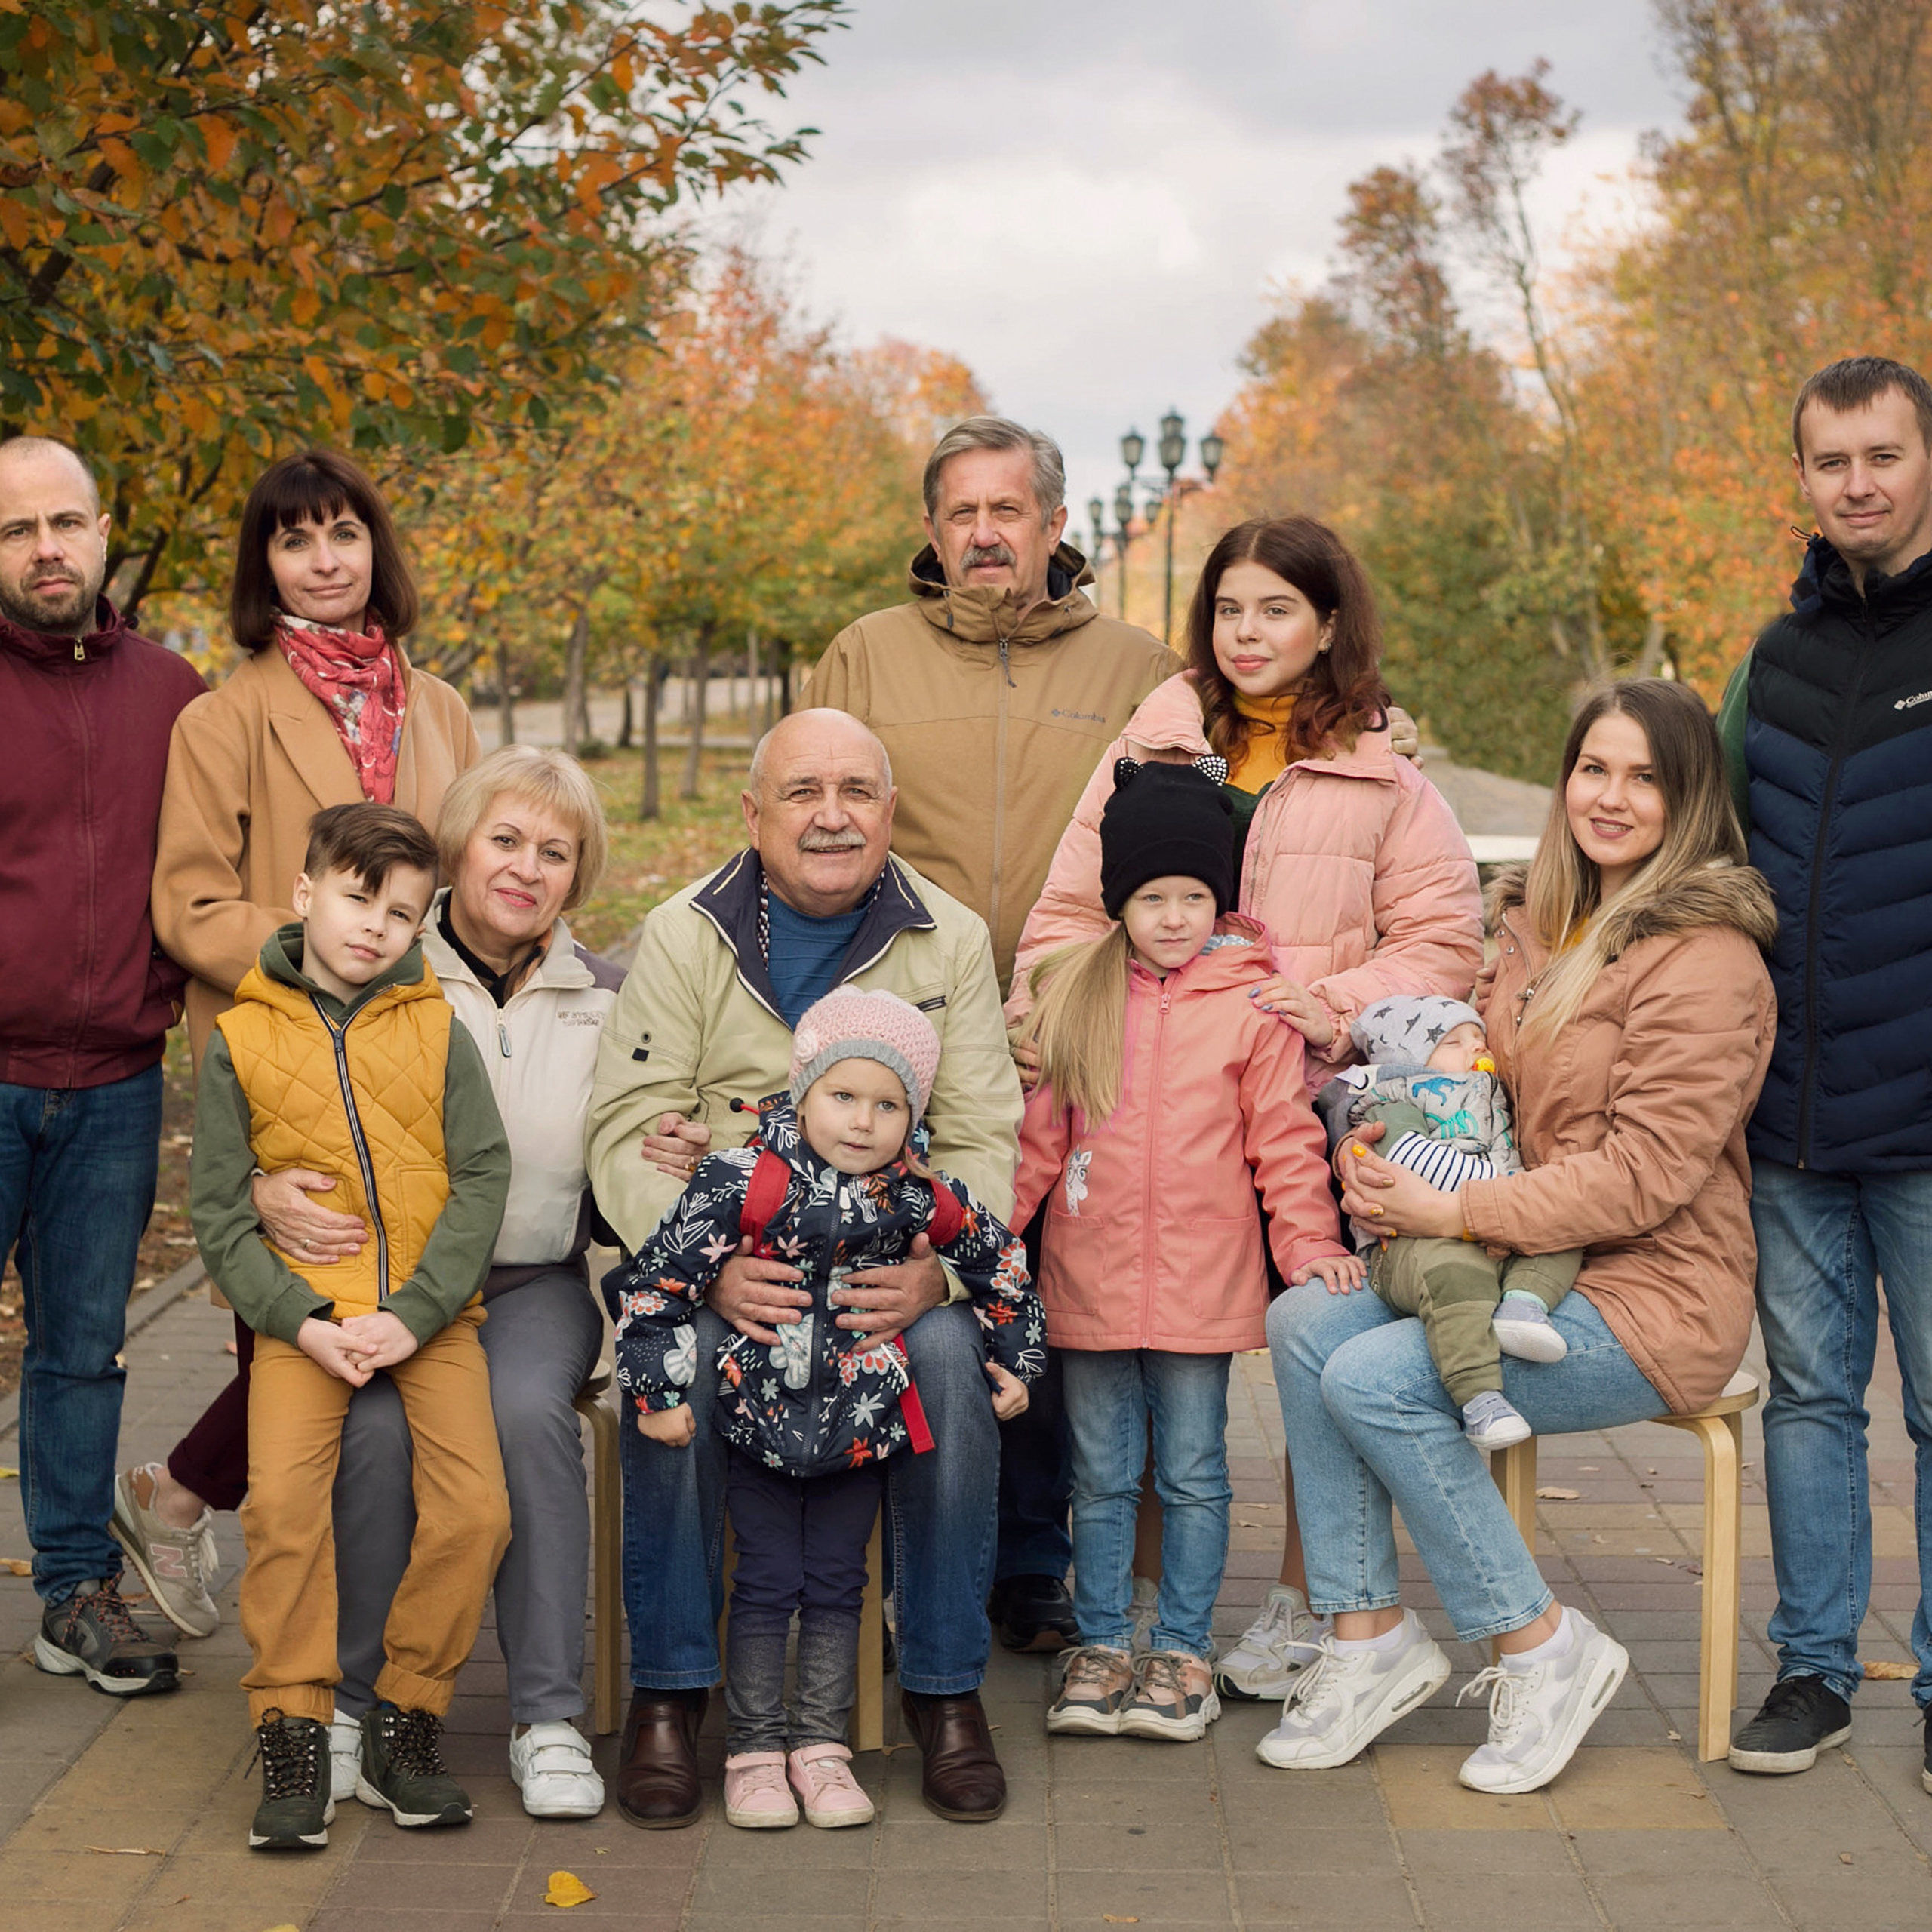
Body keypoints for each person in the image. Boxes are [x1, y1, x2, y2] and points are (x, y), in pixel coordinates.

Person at [1261, 678, 1775, 1795]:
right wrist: (1395, 1138)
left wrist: (1458, 1212)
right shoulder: (1539, 921)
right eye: (1595, 768)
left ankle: (1540, 1647)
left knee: (1380, 1380)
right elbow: (1475, 1085)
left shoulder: (1709, 957)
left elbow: (1646, 1175)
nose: (1612, 796)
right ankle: (1370, 1640)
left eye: (1645, 777)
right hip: (1510, 1259)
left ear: (1688, 800)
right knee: (1306, 1321)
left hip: (1652, 1290)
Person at [1010, 514, 1482, 1703]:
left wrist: (1318, 1001)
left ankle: (1305, 1605)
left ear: (1329, 623)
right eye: (1229, 610)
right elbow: (1073, 911)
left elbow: (1444, 941)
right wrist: (1063, 1014)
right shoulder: (1163, 745)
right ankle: (1140, 1630)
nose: (1249, 633)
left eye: (1278, 609)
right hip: (1159, 1096)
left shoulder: (1384, 772)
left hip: (1320, 1101)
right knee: (1151, 1354)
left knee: (1319, 1352)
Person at [586, 709, 1026, 1827]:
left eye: (857, 791)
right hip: (734, 1265)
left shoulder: (952, 938)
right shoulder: (685, 933)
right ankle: (673, 1693)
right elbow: (632, 1122)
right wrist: (706, 1269)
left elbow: (980, 1136)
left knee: (946, 1362)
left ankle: (943, 1686)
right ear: (753, 813)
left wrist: (945, 1273)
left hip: (891, 1270)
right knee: (673, 1365)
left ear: (888, 809)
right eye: (801, 792)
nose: (831, 816)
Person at [803, 414, 1177, 1651]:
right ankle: (901, 1554)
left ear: (1054, 525)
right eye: (960, 513)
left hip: (1088, 1029)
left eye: (1006, 511)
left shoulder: (1136, 665)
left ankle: (1031, 1565)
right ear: (931, 528)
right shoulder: (867, 654)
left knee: (1056, 1300)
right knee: (918, 1290)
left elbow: (1186, 832)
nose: (983, 534)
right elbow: (818, 823)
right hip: (916, 1037)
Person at [115, 448, 478, 1638]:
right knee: (298, 1343)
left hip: (418, 1070)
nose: (324, 561)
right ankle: (301, 1681)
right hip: (285, 1078)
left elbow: (471, 892)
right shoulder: (224, 719)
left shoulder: (444, 710)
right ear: (262, 565)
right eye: (294, 540)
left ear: (376, 545)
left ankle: (178, 1499)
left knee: (394, 1331)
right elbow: (190, 904)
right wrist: (335, 942)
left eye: (343, 534)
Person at [611, 989, 1044, 1829]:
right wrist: (657, 1393)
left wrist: (1016, 1357)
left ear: (913, 1117)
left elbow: (1004, 1266)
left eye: (887, 1105)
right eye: (841, 1097)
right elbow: (653, 1286)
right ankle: (729, 1732)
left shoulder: (918, 1194)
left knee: (838, 1586)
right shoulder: (738, 1180)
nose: (861, 1122)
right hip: (757, 1416)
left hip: (859, 1421)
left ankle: (849, 1732)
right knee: (768, 1582)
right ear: (800, 1091)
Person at [1009, 761, 1358, 1746]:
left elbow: (1283, 1144)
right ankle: (1105, 1643)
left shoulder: (1255, 1007)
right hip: (1088, 1276)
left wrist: (1310, 1246)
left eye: (1193, 896)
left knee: (1197, 1471)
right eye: (1151, 897)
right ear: (1120, 900)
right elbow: (1036, 1146)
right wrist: (985, 1250)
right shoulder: (1076, 996)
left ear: (1221, 899)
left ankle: (1183, 1652)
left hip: (1204, 1285)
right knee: (1101, 1474)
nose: (1172, 917)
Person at [189, 804, 510, 1851]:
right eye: (357, 896)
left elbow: (481, 1176)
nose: (374, 925)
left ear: (422, 926)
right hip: (304, 1322)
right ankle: (291, 1731)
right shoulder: (241, 1038)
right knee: (281, 1506)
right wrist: (302, 1318)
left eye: (402, 912)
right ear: (306, 891)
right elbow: (219, 1213)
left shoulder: (436, 1028)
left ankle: (404, 1722)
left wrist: (418, 1316)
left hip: (431, 1319)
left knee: (474, 1513)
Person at [324, 745, 623, 1819]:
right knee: (379, 1431)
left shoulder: (607, 998)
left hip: (535, 1281)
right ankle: (352, 1703)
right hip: (394, 1284)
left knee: (529, 1415)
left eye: (555, 852)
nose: (526, 868)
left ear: (576, 876)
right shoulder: (379, 973)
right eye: (505, 840)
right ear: (456, 844)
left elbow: (630, 1147)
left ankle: (547, 1716)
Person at [1715, 355, 1932, 1788]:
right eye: (1830, 461)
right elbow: (1703, 848)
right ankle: (1814, 1667)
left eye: (1883, 456)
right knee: (1807, 1399)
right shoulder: (1770, 663)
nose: (1856, 483)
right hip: (1788, 1113)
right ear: (1800, 475)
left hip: (1927, 1121)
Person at [1, 435, 204, 1697]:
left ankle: (74, 1588)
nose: (46, 550)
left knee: (82, 1351)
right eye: (17, 531)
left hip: (119, 1082)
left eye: (64, 523)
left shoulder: (172, 694)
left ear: (104, 524)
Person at [1315, 994, 1582, 1451]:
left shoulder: (1491, 1099)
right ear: (1410, 1059)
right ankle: (1479, 1398)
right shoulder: (1392, 1102)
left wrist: (1527, 1206)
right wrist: (1509, 1192)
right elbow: (1413, 1162)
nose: (1477, 1050)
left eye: (1479, 1039)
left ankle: (1522, 1305)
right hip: (1411, 1242)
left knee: (1563, 1233)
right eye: (1455, 1042)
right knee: (1456, 1277)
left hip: (1489, 1218)